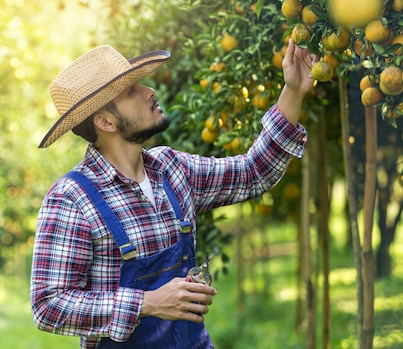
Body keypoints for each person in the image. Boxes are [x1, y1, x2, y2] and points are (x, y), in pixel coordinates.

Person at [31, 40, 317, 349]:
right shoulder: (72, 198)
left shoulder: (172, 168)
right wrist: (148, 302)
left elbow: (252, 172)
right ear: (105, 121)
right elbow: (48, 305)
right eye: (131, 91)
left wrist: (294, 90)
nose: (149, 91)